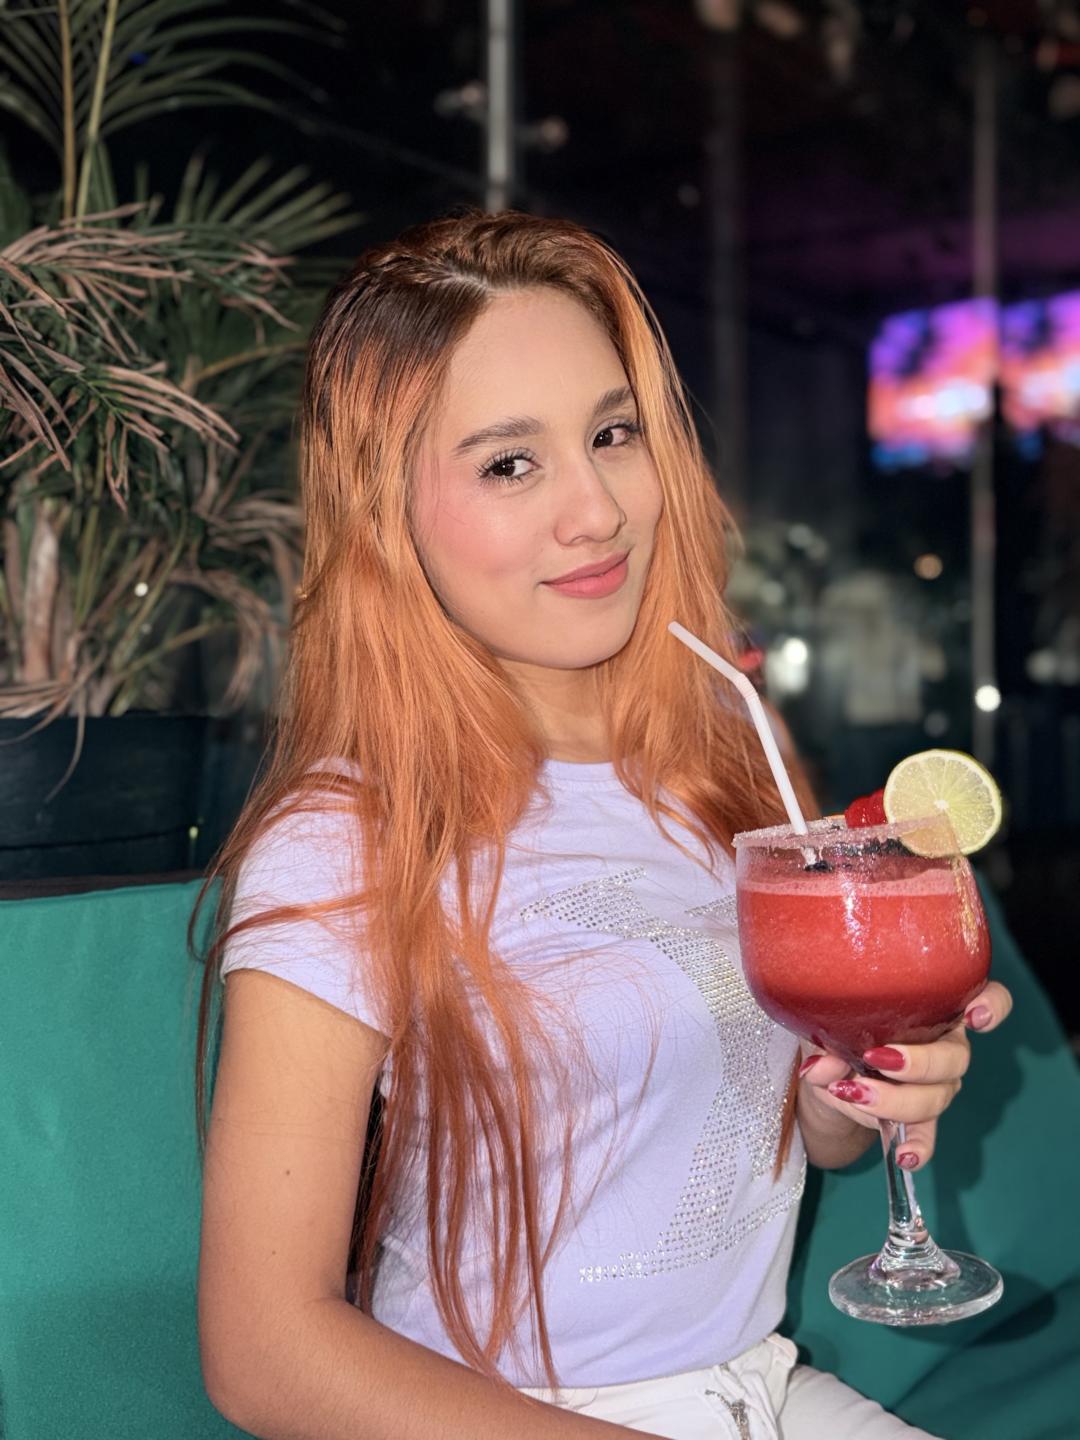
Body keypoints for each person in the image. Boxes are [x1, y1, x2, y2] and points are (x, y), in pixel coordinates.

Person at [194, 210, 1012, 1440]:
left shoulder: (723, 770)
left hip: (756, 1384)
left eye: (612, 434)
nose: (596, 510)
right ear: (385, 514)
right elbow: (262, 1351)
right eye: (508, 464)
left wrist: (865, 1085)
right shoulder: (348, 839)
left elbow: (803, 1138)